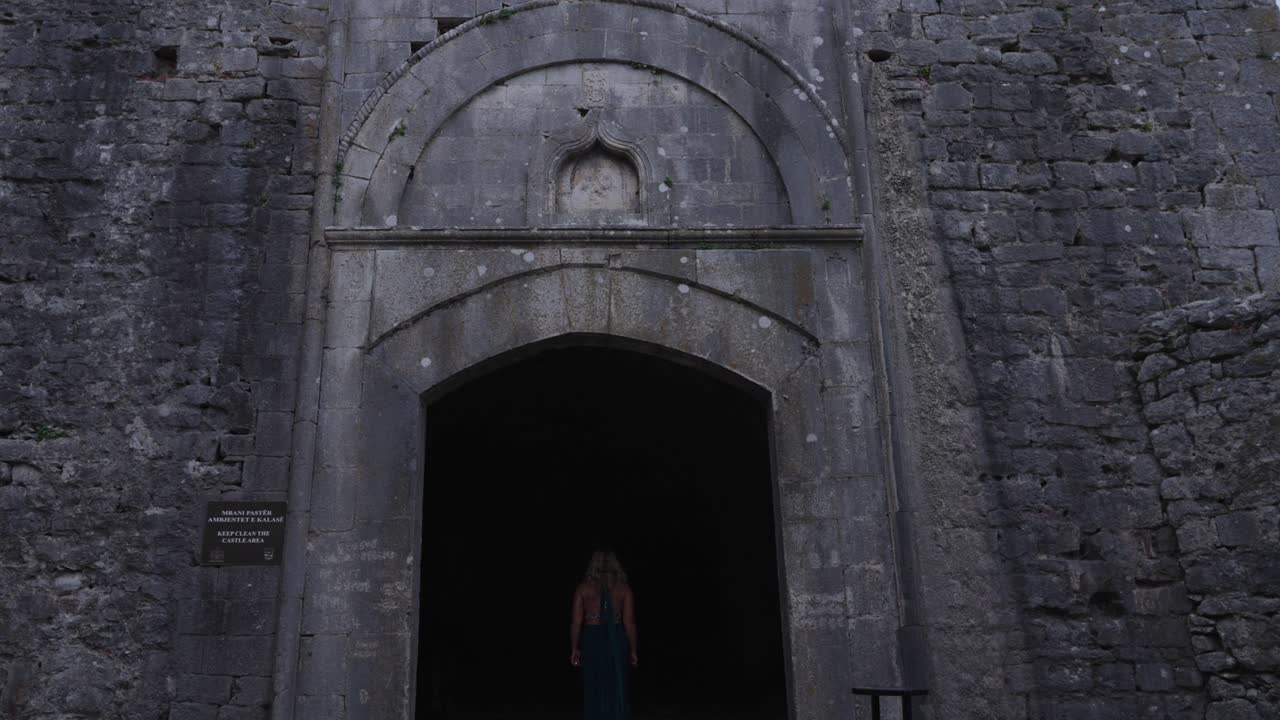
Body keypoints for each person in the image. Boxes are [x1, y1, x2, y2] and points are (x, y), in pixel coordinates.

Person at [570, 550, 637, 720]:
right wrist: (633, 650)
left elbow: (576, 622)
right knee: (616, 683)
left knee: (593, 684)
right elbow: (629, 623)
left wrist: (574, 648)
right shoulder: (623, 589)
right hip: (616, 639)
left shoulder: (583, 588)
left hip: (592, 638)